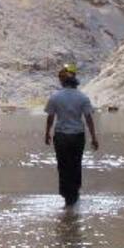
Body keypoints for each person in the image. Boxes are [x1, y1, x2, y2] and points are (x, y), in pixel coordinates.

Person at [44, 63, 98, 206]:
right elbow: (88, 119)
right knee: (76, 164)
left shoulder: (55, 97)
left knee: (63, 165)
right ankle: (74, 192)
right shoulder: (83, 97)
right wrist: (94, 137)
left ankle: (66, 194)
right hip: (77, 136)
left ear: (62, 81)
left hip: (61, 136)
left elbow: (50, 117)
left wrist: (47, 133)